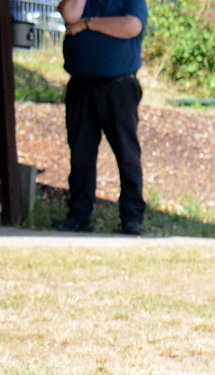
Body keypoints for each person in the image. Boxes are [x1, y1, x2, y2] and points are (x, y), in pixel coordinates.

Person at [56, 0, 147, 235]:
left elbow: (131, 26)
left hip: (119, 87)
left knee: (127, 155)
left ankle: (132, 219)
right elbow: (68, 14)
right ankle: (78, 217)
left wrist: (87, 24)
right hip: (81, 85)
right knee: (81, 156)